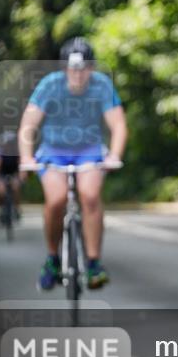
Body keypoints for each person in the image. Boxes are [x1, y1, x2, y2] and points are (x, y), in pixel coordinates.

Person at [18, 36, 127, 290]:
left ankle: (93, 263)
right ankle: (53, 258)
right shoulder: (50, 85)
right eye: (73, 68)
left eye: (85, 68)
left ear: (92, 68)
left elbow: (118, 125)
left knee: (89, 196)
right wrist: (26, 157)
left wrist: (113, 155)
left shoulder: (101, 86)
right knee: (56, 201)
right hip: (53, 151)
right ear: (64, 68)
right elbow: (28, 125)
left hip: (89, 151)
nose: (79, 74)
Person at [0, 130, 23, 223]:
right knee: (1, 190)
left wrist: (21, 178)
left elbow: (20, 167)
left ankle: (16, 208)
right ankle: (1, 210)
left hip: (13, 172)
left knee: (16, 187)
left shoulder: (17, 152)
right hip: (2, 172)